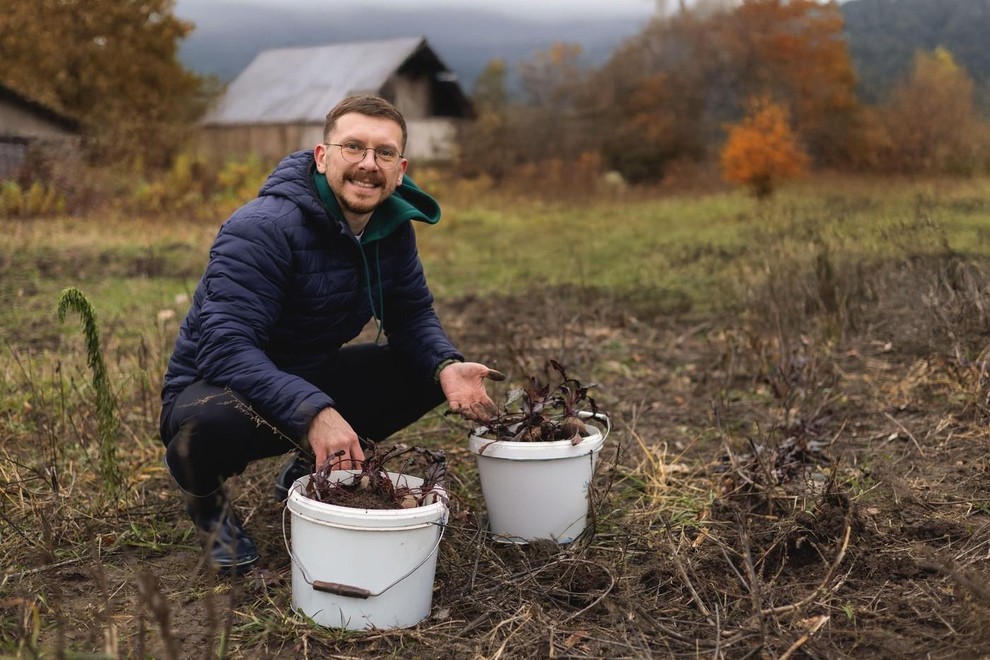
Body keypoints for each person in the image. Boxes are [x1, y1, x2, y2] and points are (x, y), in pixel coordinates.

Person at [159, 95, 502, 574]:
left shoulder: (392, 228)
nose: (368, 165)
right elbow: (225, 347)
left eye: (384, 153)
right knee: (204, 430)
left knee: (423, 368)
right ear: (323, 158)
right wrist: (314, 412)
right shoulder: (261, 229)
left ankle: (309, 469)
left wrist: (446, 365)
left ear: (400, 169)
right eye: (353, 147)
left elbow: (411, 315)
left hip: (307, 372)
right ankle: (208, 507)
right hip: (214, 388)